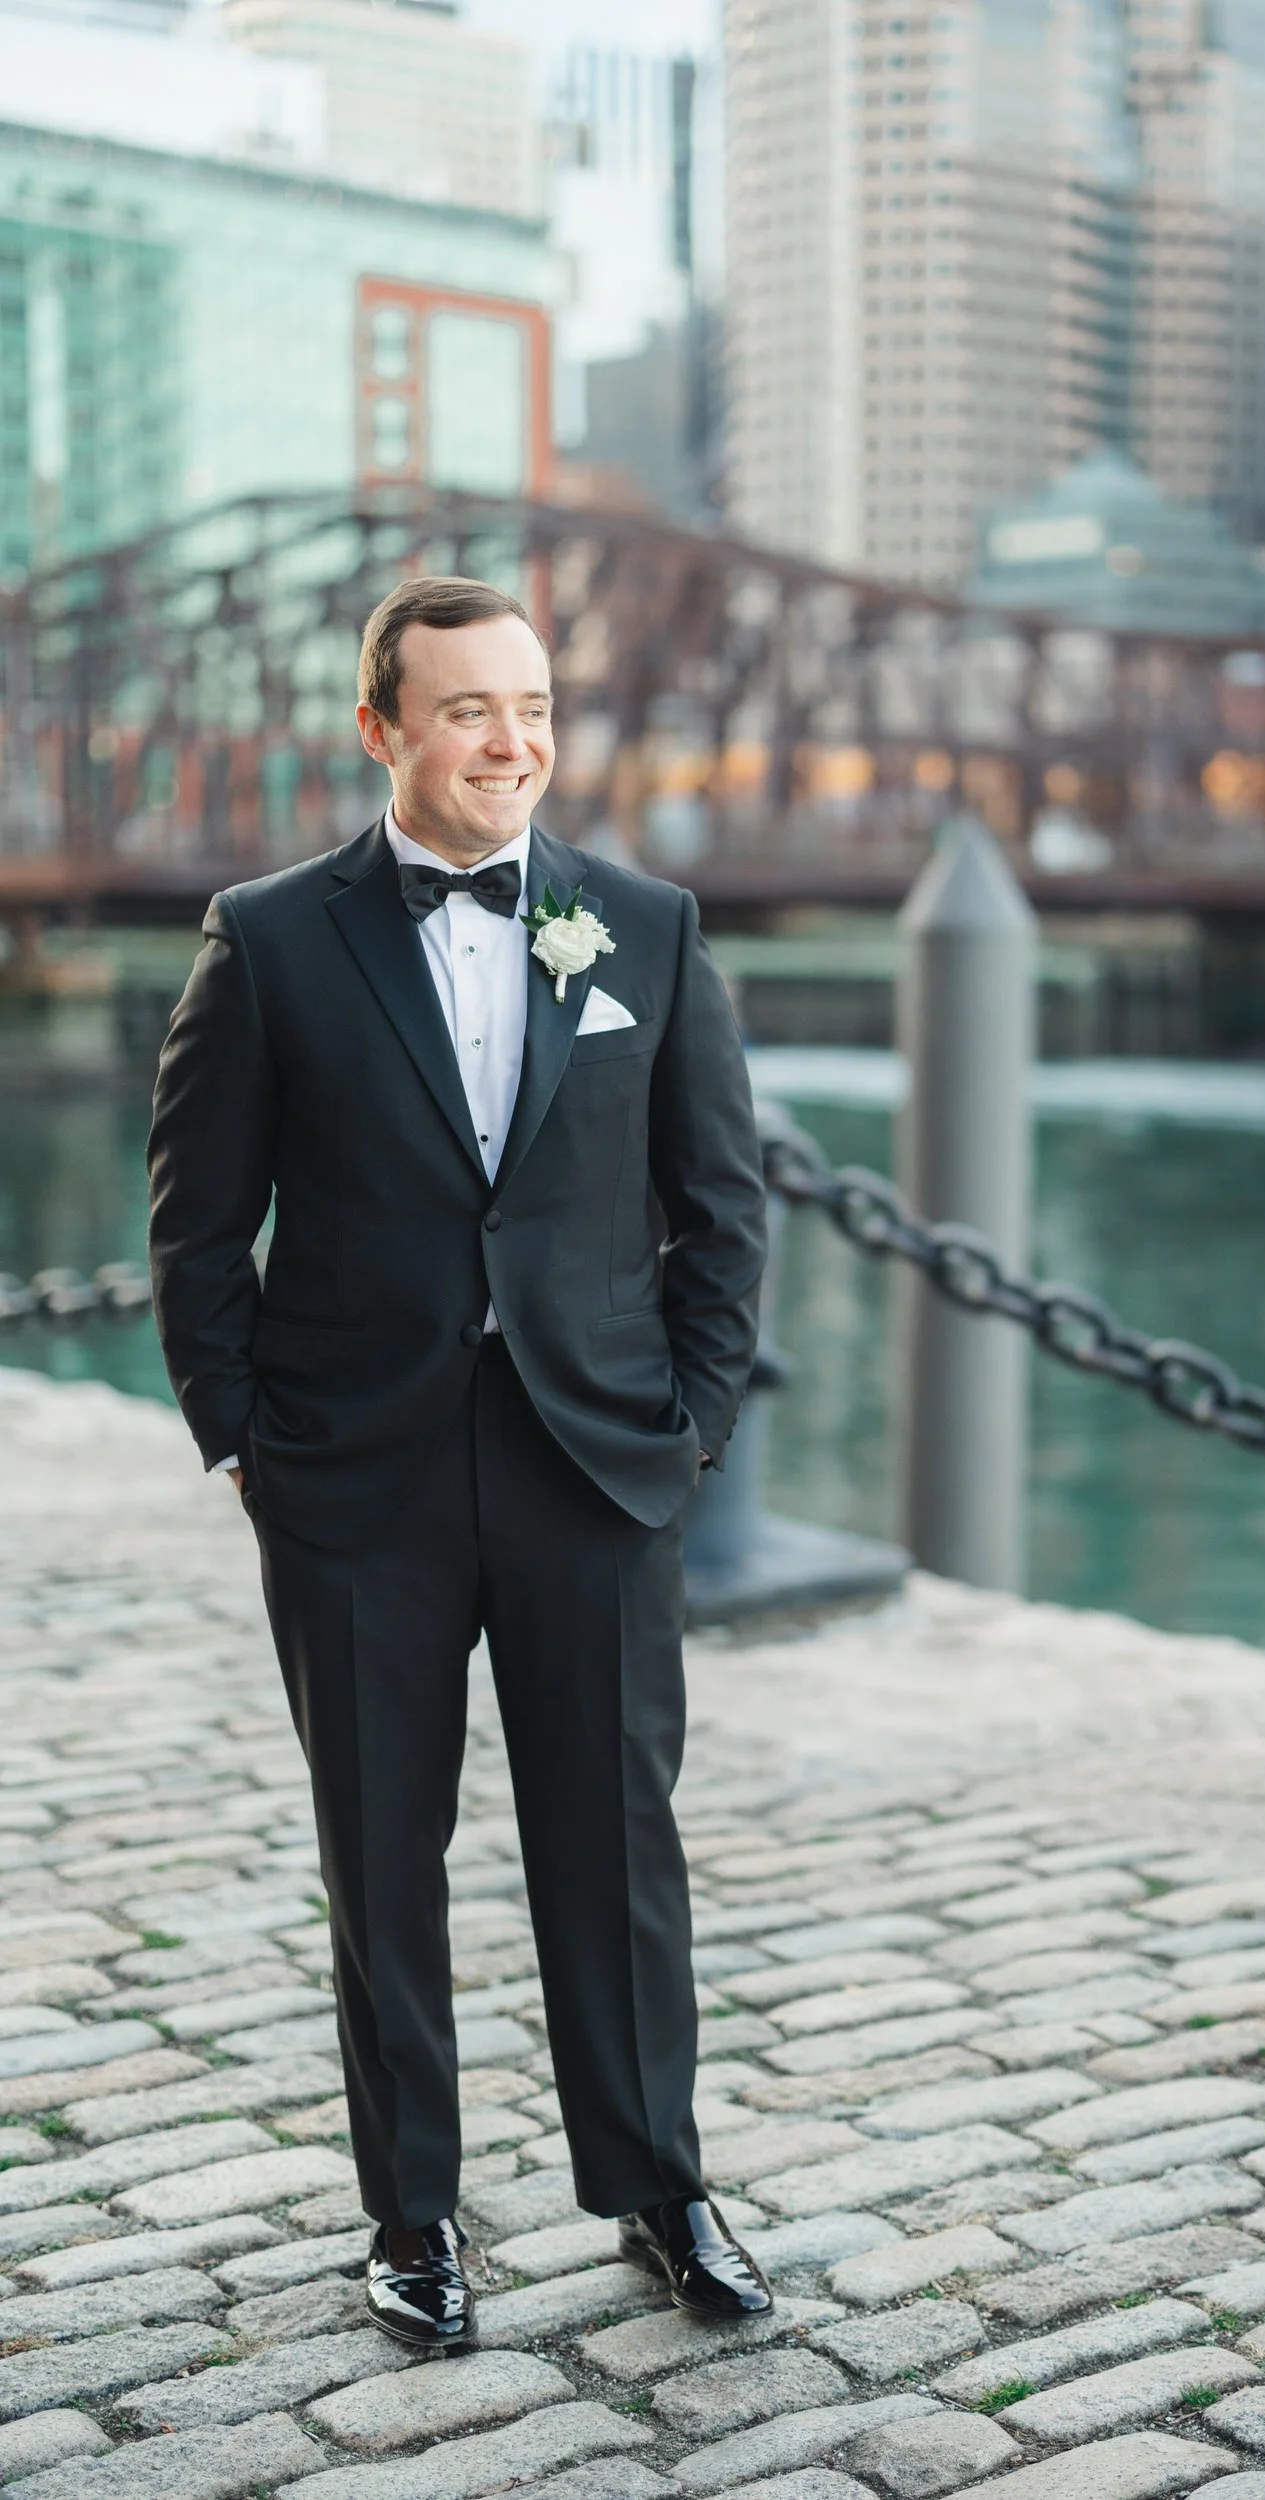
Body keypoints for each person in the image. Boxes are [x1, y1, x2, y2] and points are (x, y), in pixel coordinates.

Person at [147, 575, 773, 2351]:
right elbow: (199, 1227)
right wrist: (245, 1443)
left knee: (614, 1849)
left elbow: (719, 1214)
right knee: (383, 1856)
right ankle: (412, 2217)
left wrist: (690, 1430)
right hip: (358, 1483)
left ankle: (660, 2188)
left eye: (531, 707)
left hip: (596, 1472)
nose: (510, 743)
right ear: (381, 732)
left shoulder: (641, 926)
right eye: (465, 711)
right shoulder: (266, 938)